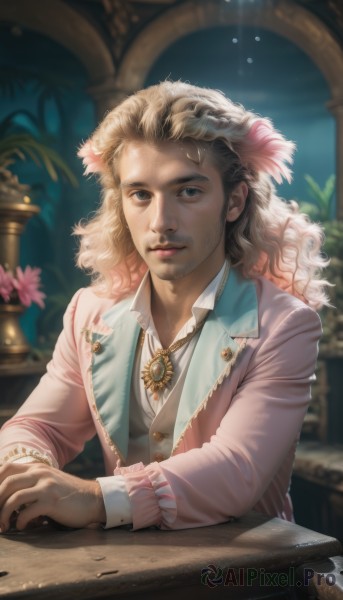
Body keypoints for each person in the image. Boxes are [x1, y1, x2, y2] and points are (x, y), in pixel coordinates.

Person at [0, 81, 328, 533]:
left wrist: (95, 498)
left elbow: (237, 471)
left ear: (234, 202)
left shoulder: (286, 324)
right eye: (140, 194)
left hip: (246, 575)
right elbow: (36, 427)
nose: (160, 222)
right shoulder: (90, 313)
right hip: (121, 571)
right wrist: (28, 471)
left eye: (188, 192)